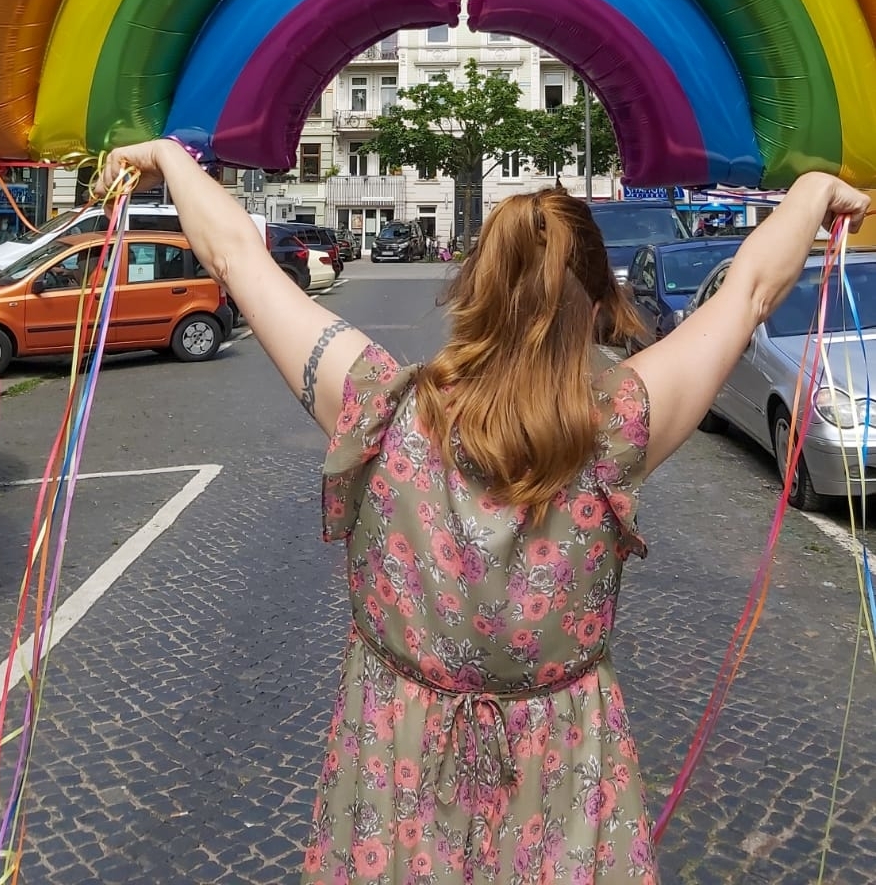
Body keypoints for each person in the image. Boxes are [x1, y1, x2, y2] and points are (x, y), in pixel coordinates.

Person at [95, 142, 869, 885]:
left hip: (395, 771)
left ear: (473, 288)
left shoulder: (378, 404)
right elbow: (749, 292)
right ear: (600, 303)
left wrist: (168, 157)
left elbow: (236, 256)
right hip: (565, 773)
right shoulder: (619, 425)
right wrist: (810, 194)